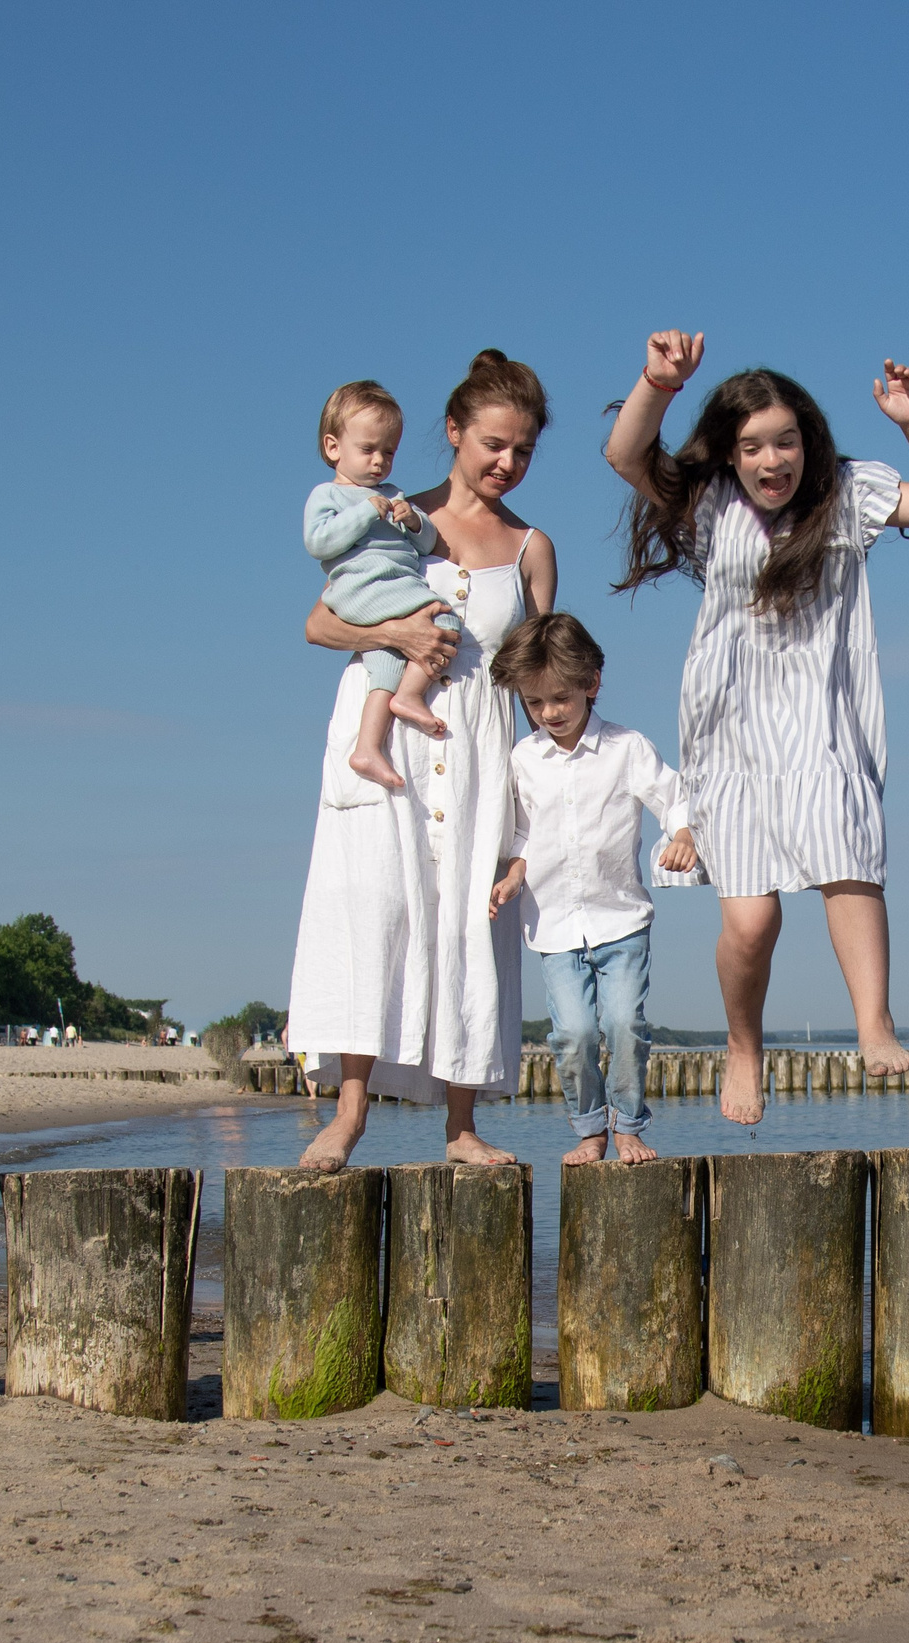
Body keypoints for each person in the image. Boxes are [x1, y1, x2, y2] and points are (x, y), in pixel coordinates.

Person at [605, 332, 909, 1126]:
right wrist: (658, 383)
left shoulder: (847, 493)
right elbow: (625, 453)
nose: (773, 460)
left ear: (808, 440)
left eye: (786, 441)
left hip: (824, 720)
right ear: (731, 456)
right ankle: (744, 1047)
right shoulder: (712, 506)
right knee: (752, 920)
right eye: (753, 447)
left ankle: (874, 1022)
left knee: (849, 865)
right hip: (730, 734)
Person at [285, 350, 560, 1170]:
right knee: (374, 913)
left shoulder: (531, 547)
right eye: (493, 444)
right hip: (387, 737)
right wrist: (394, 635)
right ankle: (349, 1114)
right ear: (454, 432)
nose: (506, 464)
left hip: (478, 743)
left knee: (468, 925)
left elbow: (538, 675)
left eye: (522, 452)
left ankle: (462, 1126)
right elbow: (319, 623)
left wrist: (549, 789)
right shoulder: (393, 514)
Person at [486, 613, 698, 1166]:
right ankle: (589, 1129)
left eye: (560, 697)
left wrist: (681, 833)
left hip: (620, 917)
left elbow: (673, 796)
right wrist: (512, 874)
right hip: (553, 922)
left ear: (591, 683)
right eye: (534, 703)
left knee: (624, 1023)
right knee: (575, 1033)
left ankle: (627, 1124)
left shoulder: (627, 747)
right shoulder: (523, 760)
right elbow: (524, 831)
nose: (549, 712)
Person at [304, 381, 458, 790]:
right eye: (368, 449)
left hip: (392, 586)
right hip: (363, 587)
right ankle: (409, 698)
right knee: (444, 620)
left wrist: (413, 520)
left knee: (386, 661)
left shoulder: (392, 495)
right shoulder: (330, 495)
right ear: (334, 447)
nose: (379, 461)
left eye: (388, 452)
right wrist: (365, 515)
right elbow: (318, 542)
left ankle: (368, 747)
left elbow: (427, 543)